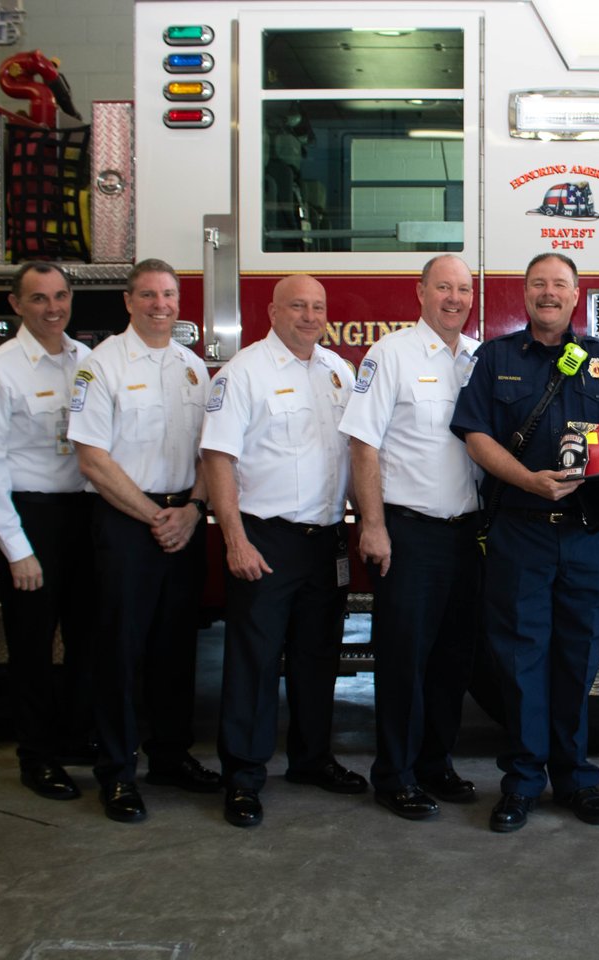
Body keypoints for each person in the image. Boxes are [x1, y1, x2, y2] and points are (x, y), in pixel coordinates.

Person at [450, 252, 599, 833]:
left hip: (591, 536)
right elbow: (474, 434)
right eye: (539, 284)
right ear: (525, 294)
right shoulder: (496, 358)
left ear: (576, 296)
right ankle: (520, 782)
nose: (549, 293)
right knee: (519, 663)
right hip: (521, 532)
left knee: (580, 660)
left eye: (560, 285)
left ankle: (575, 778)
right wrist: (527, 480)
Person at [201, 274, 365, 828]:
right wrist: (234, 539)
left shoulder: (337, 372)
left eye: (318, 306)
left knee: (318, 657)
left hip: (325, 540)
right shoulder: (244, 373)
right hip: (265, 539)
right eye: (298, 305)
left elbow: (356, 456)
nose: (310, 316)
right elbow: (218, 459)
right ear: (272, 311)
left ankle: (312, 759)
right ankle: (244, 777)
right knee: (254, 660)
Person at [68, 258, 220, 823]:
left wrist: (193, 508)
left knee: (175, 649)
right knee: (119, 652)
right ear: (128, 303)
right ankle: (116, 773)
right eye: (149, 296)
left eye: (169, 296)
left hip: (183, 518)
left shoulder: (190, 367)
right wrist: (155, 516)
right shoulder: (100, 366)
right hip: (126, 522)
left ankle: (171, 757)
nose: (161, 305)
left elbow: (212, 450)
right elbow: (92, 458)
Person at [340, 255, 482, 821]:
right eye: (443, 287)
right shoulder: (390, 355)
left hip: (466, 535)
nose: (454, 298)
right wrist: (372, 526)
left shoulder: (477, 360)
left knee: (453, 659)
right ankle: (393, 774)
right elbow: (362, 445)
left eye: (463, 289)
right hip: (409, 534)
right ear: (420, 292)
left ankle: (435, 764)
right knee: (404, 660)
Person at [0, 262, 96, 800]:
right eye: (39, 298)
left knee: (87, 639)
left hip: (84, 515)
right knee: (33, 646)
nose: (53, 307)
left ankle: (72, 738)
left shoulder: (87, 362)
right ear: (17, 304)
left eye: (61, 296)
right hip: (30, 518)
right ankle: (35, 756)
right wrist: (17, 550)